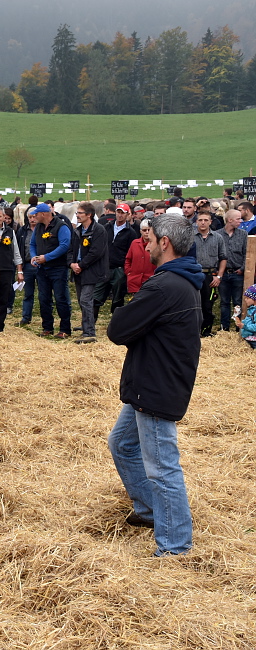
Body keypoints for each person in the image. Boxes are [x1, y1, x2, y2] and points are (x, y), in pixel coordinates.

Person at [106, 213, 202, 556]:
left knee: (162, 468)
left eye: (149, 238)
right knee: (122, 444)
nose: (144, 243)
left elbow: (118, 330)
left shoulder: (164, 286)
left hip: (157, 386)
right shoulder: (181, 280)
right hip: (151, 381)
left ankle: (175, 546)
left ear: (165, 243)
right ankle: (149, 511)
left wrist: (122, 313)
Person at [29, 203, 73, 338]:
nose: (34, 216)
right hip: (42, 269)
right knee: (43, 298)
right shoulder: (39, 228)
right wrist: (33, 257)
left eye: (36, 214)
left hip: (58, 269)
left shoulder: (62, 226)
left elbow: (64, 246)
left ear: (43, 214)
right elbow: (32, 244)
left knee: (61, 298)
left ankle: (65, 329)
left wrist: (46, 257)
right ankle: (47, 327)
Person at [69, 202, 108, 343]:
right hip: (78, 270)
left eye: (80, 213)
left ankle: (90, 332)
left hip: (91, 271)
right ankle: (87, 325)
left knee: (85, 299)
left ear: (89, 215)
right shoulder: (77, 231)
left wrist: (81, 265)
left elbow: (96, 252)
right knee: (81, 300)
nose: (77, 216)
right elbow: (71, 250)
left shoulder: (99, 230)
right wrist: (71, 264)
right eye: (77, 213)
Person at [95, 203, 138, 317]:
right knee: (96, 296)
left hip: (119, 268)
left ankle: (116, 322)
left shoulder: (131, 232)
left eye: (122, 213)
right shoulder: (106, 227)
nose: (120, 215)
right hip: (104, 267)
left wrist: (126, 268)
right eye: (118, 212)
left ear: (127, 215)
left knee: (118, 298)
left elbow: (131, 252)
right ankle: (90, 324)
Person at [192, 212, 227, 337]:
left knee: (208, 305)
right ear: (196, 221)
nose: (203, 222)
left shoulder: (218, 238)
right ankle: (194, 332)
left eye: (205, 220)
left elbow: (223, 258)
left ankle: (206, 331)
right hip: (194, 275)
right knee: (194, 305)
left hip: (210, 276)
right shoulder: (191, 237)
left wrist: (219, 276)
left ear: (210, 222)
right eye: (200, 220)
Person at [217, 209, 246, 331]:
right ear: (230, 220)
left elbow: (246, 253)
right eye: (238, 219)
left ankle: (238, 328)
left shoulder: (243, 234)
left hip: (237, 272)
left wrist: (242, 269)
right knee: (224, 302)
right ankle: (225, 328)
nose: (241, 221)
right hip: (223, 273)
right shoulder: (217, 235)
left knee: (237, 302)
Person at [124, 218, 156, 295]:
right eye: (144, 230)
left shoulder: (156, 244)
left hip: (150, 281)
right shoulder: (135, 243)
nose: (147, 232)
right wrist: (129, 272)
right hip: (135, 281)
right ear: (140, 231)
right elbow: (128, 259)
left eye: (149, 230)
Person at [17, 209, 38, 325]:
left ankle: (47, 318)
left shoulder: (43, 229)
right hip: (28, 265)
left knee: (45, 294)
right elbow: (19, 249)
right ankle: (26, 317)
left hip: (41, 265)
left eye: (34, 216)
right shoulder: (22, 230)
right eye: (30, 217)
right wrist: (20, 269)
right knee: (28, 293)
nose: (32, 219)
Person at [232, 284, 256, 349]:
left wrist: (244, 326)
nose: (245, 300)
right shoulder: (251, 309)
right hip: (248, 338)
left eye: (248, 298)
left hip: (253, 340)